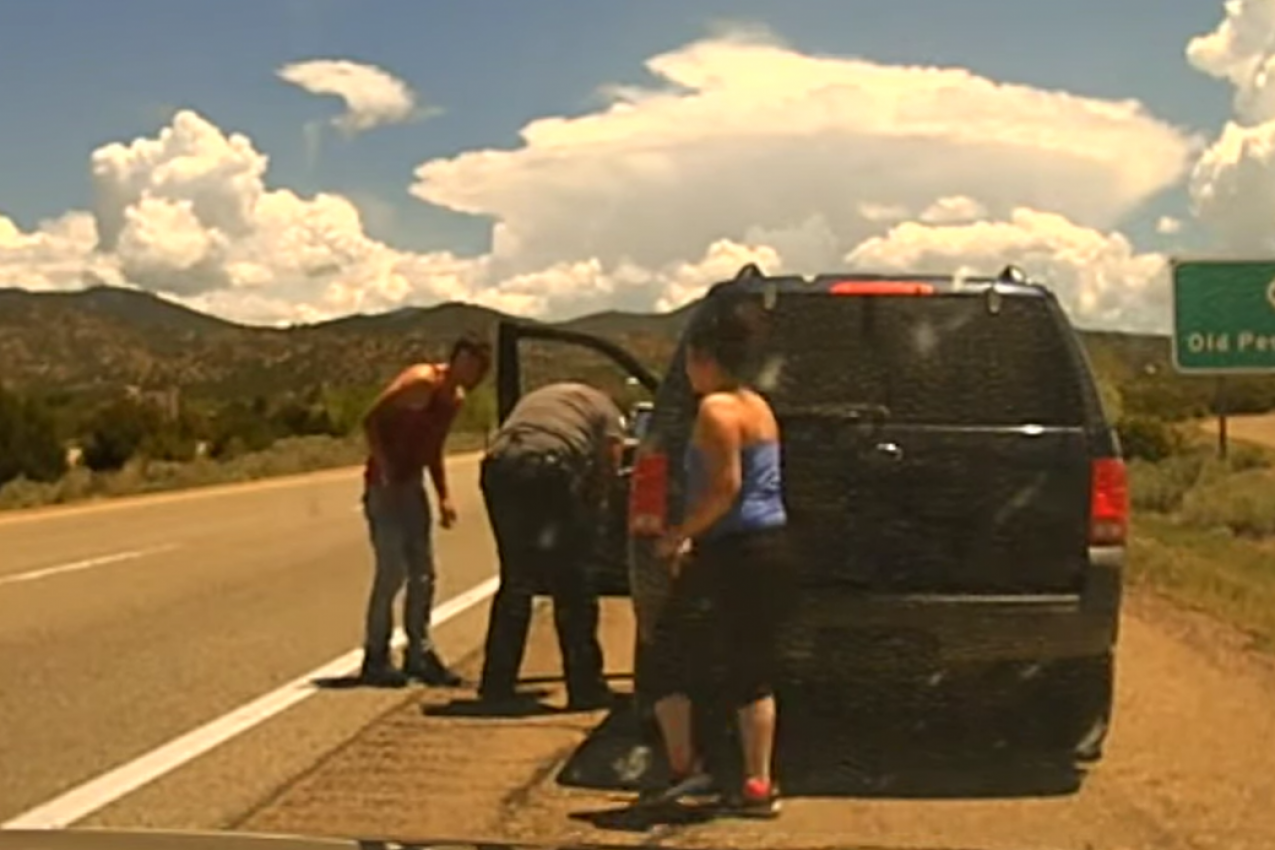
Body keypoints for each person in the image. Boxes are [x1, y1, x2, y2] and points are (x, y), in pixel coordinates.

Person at [641, 298, 793, 818]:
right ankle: (758, 784)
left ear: (705, 358)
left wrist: (678, 535)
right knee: (752, 666)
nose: (687, 372)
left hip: (732, 547)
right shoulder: (758, 405)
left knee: (666, 656)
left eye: (689, 361)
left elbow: (725, 488)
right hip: (771, 544)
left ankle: (686, 770)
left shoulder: (716, 410)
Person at [477, 381, 626, 710]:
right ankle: (585, 687)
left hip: (500, 464)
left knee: (516, 580)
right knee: (573, 583)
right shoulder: (606, 409)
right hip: (548, 467)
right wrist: (597, 504)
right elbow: (611, 461)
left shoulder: (541, 399)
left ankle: (497, 686)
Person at [358, 332, 493, 687]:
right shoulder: (420, 381)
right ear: (456, 359)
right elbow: (370, 419)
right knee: (392, 572)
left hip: (413, 486)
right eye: (469, 363)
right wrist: (384, 467)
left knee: (424, 573)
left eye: (479, 368)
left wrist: (444, 495)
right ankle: (375, 656)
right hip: (385, 487)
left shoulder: (455, 399)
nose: (472, 372)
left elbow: (434, 448)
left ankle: (419, 652)